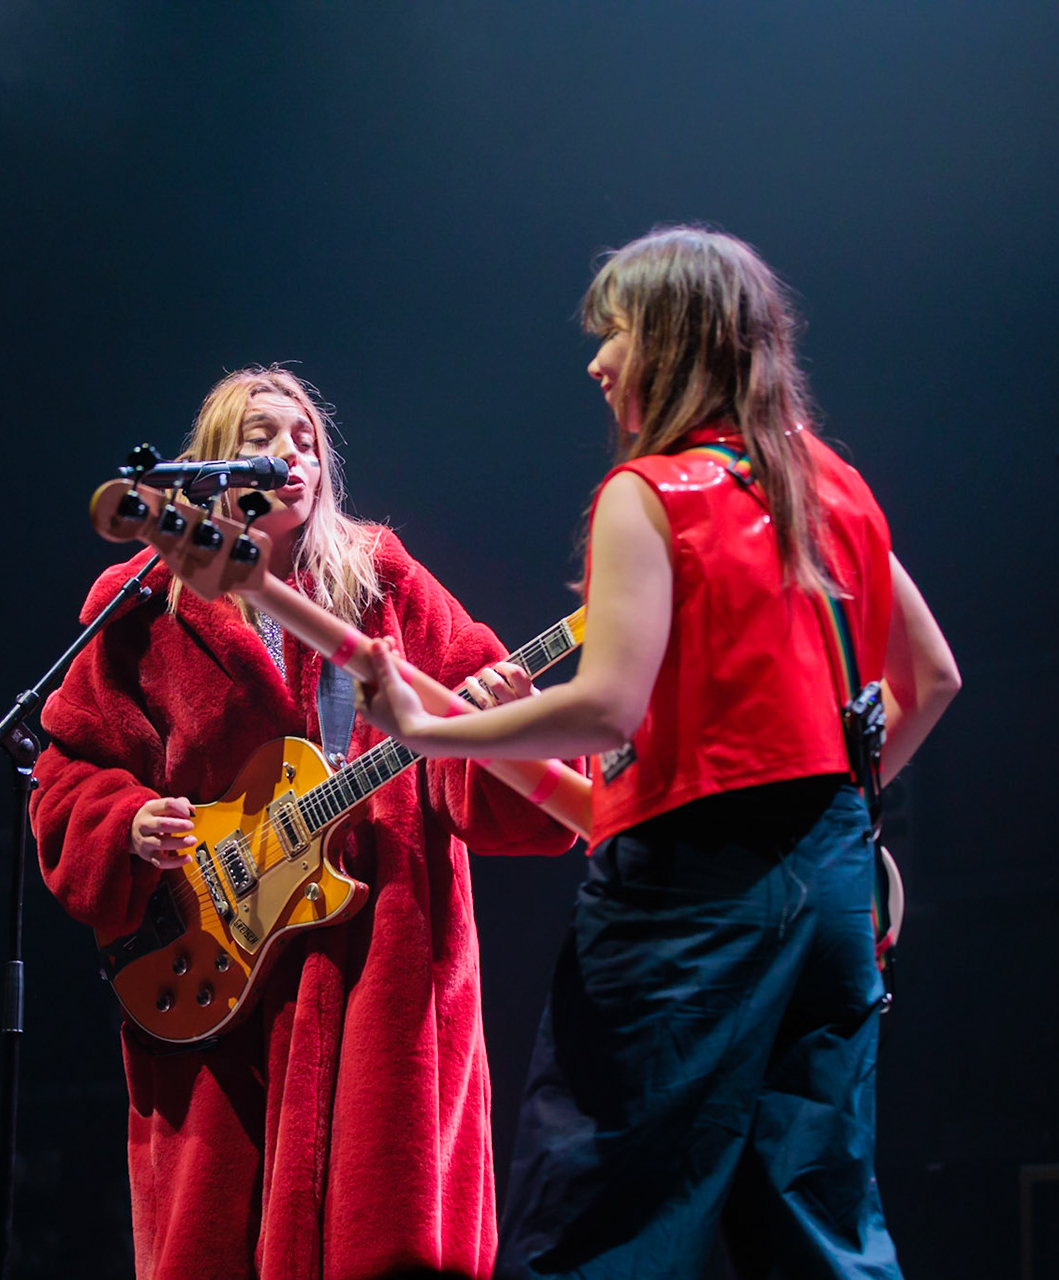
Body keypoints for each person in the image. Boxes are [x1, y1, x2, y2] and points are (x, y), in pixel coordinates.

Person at [356, 227, 962, 1279]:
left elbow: (602, 708)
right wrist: (835, 809)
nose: (598, 361)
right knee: (817, 1217)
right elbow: (934, 678)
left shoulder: (650, 493)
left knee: (601, 1209)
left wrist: (425, 726)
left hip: (686, 894)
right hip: (834, 888)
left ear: (675, 342)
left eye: (618, 331)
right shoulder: (833, 489)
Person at [31, 366, 579, 1280]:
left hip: (383, 964)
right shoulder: (139, 604)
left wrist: (499, 716)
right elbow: (64, 770)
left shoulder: (386, 584)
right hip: (212, 962)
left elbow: (518, 780)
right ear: (207, 467)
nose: (290, 455)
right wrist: (126, 822)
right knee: (218, 1236)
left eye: (306, 440)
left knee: (381, 1228)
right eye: (262, 437)